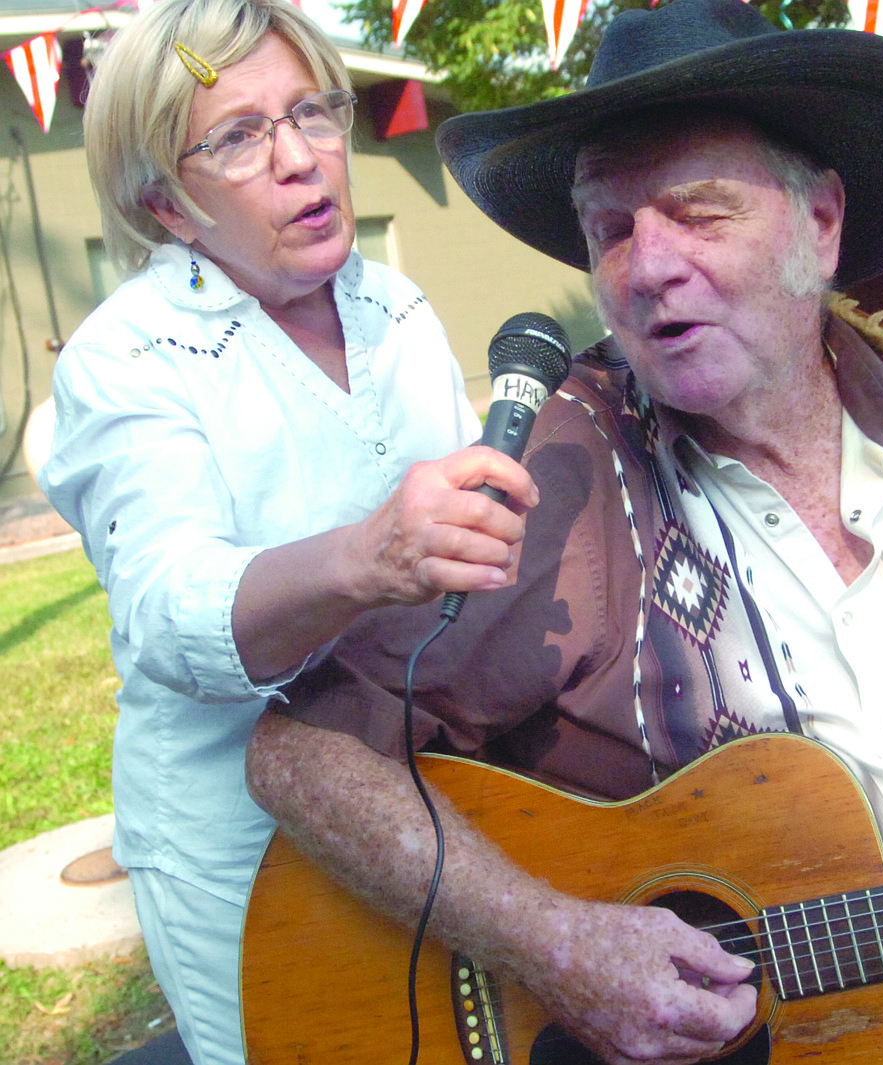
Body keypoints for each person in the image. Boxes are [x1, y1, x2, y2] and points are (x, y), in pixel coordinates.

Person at [246, 2, 883, 1063]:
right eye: (612, 230)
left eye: (700, 212)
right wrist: (555, 944)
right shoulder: (566, 479)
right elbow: (303, 754)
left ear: (821, 223)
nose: (648, 267)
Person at [35, 1, 537, 1063]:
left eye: (312, 113)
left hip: (419, 808)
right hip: (236, 843)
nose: (302, 160)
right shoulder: (127, 359)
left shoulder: (393, 308)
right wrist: (369, 557)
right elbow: (168, 612)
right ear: (165, 206)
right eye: (239, 136)